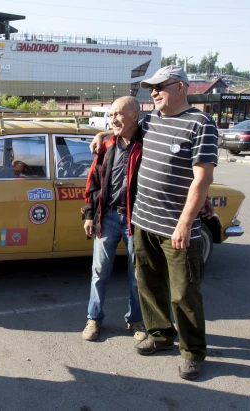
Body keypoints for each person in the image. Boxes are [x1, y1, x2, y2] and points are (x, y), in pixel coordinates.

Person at [91, 66, 218, 380]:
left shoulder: (201, 124)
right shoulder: (151, 120)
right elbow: (125, 128)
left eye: (160, 87)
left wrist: (186, 223)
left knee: (184, 293)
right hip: (143, 222)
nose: (154, 93)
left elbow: (201, 179)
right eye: (151, 88)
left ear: (180, 87)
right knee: (148, 285)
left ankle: (192, 352)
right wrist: (103, 133)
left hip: (176, 229)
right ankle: (161, 335)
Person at [81, 96, 147, 342]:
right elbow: (93, 183)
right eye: (110, 115)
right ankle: (93, 319)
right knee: (99, 273)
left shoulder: (147, 143)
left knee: (137, 276)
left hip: (135, 221)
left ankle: (136, 321)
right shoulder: (107, 146)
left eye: (118, 114)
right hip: (107, 217)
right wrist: (89, 214)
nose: (113, 119)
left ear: (134, 115)